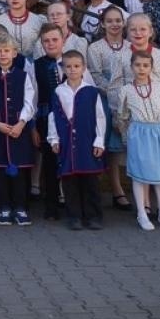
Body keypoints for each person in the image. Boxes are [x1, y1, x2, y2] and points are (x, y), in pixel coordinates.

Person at [117, 50, 160, 231]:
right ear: (131, 67)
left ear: (151, 67)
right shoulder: (126, 90)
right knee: (140, 174)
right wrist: (127, 135)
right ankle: (141, 213)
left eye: (146, 65)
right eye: (137, 65)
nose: (141, 69)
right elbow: (122, 116)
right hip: (139, 134)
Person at [0, 33, 36, 226]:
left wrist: (21, 123)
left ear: (14, 53)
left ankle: (21, 207)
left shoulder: (23, 76)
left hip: (19, 130)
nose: (3, 54)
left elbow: (30, 102)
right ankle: (4, 207)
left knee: (20, 172)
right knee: (1, 171)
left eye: (7, 51)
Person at [46, 50, 105, 230]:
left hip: (87, 141)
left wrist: (99, 140)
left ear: (83, 68)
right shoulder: (58, 91)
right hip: (67, 143)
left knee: (90, 181)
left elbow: (100, 117)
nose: (72, 70)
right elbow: (53, 116)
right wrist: (54, 139)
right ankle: (74, 216)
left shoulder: (91, 91)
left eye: (76, 66)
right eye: (68, 66)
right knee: (69, 181)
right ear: (63, 69)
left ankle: (93, 216)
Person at [87, 6, 131, 209]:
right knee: (112, 148)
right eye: (110, 21)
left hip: (132, 99)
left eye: (118, 20)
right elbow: (95, 75)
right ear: (103, 24)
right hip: (106, 99)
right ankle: (116, 189)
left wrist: (129, 94)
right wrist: (115, 93)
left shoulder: (131, 46)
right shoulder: (95, 48)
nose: (115, 24)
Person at [32, 25, 69, 217]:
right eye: (46, 41)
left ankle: (72, 202)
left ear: (63, 40)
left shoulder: (73, 61)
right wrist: (33, 127)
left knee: (70, 159)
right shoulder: (36, 65)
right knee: (50, 162)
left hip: (70, 120)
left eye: (55, 40)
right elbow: (33, 97)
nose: (51, 44)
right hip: (46, 120)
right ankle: (51, 204)